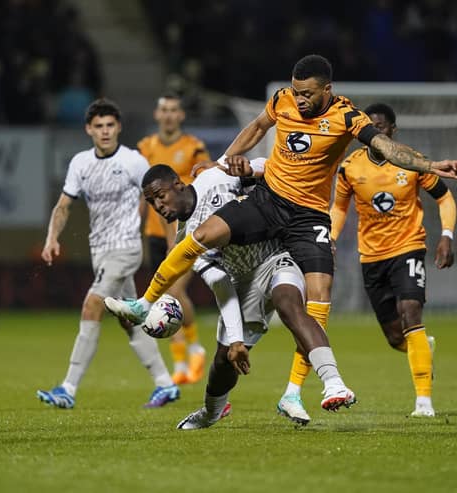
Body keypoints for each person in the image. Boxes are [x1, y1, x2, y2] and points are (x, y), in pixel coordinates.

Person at [104, 54, 457, 421]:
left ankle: (324, 386)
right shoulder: (282, 99)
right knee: (203, 234)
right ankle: (144, 302)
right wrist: (224, 159)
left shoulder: (347, 117)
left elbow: (385, 148)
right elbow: (257, 127)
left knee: (317, 297)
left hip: (307, 217)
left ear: (328, 90)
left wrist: (429, 165)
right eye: (297, 93)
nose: (300, 100)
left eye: (308, 94)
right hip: (269, 201)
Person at [139, 161, 353, 429]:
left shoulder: (216, 178)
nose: (158, 206)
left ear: (178, 185)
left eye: (161, 196)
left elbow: (271, 169)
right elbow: (221, 285)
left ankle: (334, 383)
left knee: (290, 305)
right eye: (151, 202)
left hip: (275, 256)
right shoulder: (187, 240)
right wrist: (237, 340)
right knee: (223, 359)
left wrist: (250, 167)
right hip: (240, 282)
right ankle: (211, 411)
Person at [36, 98, 179, 409]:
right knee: (130, 319)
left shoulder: (133, 162)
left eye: (110, 125)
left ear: (119, 128)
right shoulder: (80, 164)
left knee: (92, 305)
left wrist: (172, 240)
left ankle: (68, 388)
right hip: (99, 251)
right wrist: (51, 238)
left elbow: (161, 199)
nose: (104, 131)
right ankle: (165, 384)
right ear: (89, 129)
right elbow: (64, 205)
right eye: (98, 126)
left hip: (126, 248)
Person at [325, 102, 457, 418]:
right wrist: (329, 237)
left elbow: (444, 197)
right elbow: (340, 207)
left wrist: (446, 236)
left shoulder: (412, 162)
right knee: (396, 337)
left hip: (408, 247)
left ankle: (423, 403)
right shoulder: (350, 167)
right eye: (371, 128)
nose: (376, 133)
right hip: (371, 257)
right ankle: (423, 347)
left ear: (392, 130)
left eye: (382, 127)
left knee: (411, 312)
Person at [138, 92, 210, 385]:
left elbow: (205, 177)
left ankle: (195, 348)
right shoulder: (145, 147)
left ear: (181, 115)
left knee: (175, 294)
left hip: (184, 233)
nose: (168, 115)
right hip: (154, 234)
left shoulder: (193, 147)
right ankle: (180, 362)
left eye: (173, 110)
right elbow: (142, 195)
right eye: (163, 109)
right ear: (157, 115)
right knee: (165, 298)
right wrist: (137, 227)